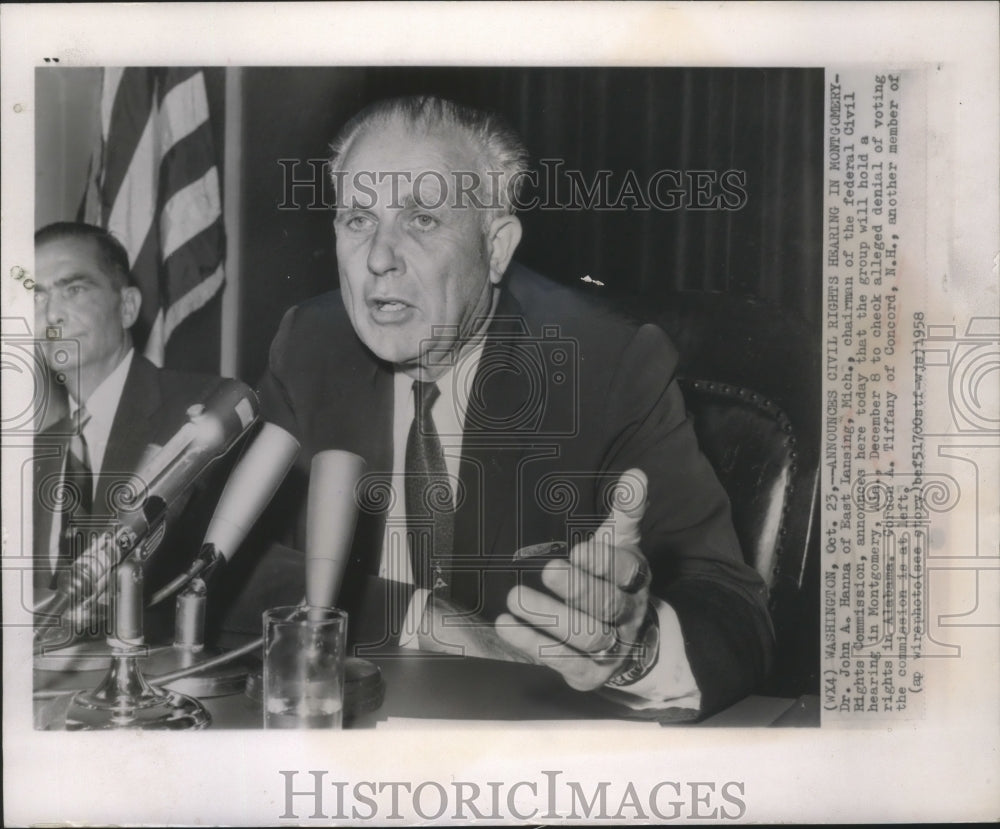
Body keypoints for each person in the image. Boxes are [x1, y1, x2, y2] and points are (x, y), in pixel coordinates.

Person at [256, 96, 774, 717]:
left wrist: (632, 647)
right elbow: (223, 572)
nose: (378, 258)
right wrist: (417, 617)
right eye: (358, 220)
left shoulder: (604, 362)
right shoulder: (310, 346)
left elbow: (734, 606)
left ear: (496, 247)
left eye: (421, 220)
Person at [32, 222, 226, 626]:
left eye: (74, 289)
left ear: (127, 307)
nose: (51, 314)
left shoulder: (203, 412)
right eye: (37, 294)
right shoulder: (34, 452)